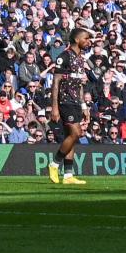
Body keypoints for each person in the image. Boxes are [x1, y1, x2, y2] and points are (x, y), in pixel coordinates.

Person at [47, 27, 94, 186]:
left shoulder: (80, 59)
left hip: (75, 102)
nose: (88, 42)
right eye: (86, 38)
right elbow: (56, 82)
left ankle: (68, 175)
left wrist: (83, 105)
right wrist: (54, 106)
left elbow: (80, 85)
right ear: (76, 40)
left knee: (71, 137)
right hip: (65, 101)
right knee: (76, 133)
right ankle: (54, 164)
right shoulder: (64, 56)